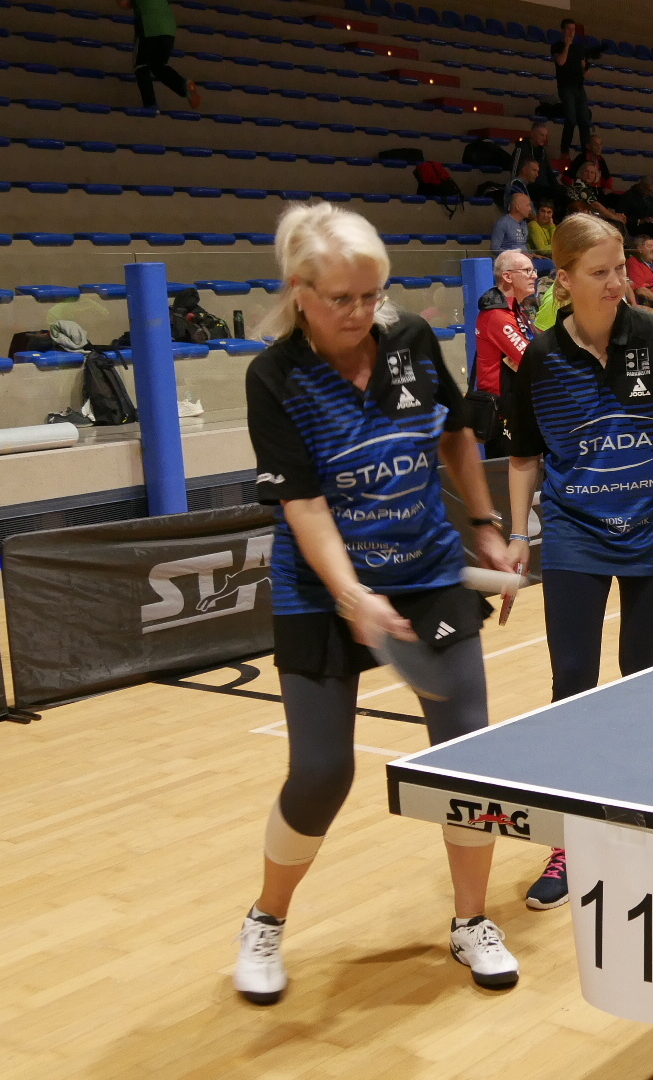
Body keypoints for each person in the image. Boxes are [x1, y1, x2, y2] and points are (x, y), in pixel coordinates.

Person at [237, 201, 519, 1003]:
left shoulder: (411, 341)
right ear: (299, 291)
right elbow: (303, 504)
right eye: (342, 299)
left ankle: (472, 920)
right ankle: (265, 919)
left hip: (428, 571)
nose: (361, 313)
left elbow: (455, 432)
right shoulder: (275, 377)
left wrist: (487, 525)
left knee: (467, 753)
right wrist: (352, 594)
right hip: (319, 588)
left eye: (372, 295)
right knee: (321, 771)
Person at [504, 213, 653, 909]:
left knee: (642, 677)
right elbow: (524, 456)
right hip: (574, 533)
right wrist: (517, 534)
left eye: (620, 268)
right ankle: (570, 839)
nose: (616, 283)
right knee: (572, 681)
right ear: (564, 281)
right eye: (599, 272)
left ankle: (639, 817)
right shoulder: (541, 358)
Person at [470, 250, 539, 456]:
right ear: (508, 276)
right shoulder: (497, 315)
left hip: (518, 407)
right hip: (504, 415)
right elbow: (529, 357)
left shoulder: (515, 309)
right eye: (527, 271)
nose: (535, 276)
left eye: (534, 270)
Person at [121, 0, 200, 111]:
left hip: (149, 25)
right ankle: (184, 86)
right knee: (158, 66)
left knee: (141, 66)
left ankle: (151, 105)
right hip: (168, 27)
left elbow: (124, 3)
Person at [551, 19, 601, 153]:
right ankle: (564, 150)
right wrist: (567, 46)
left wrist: (586, 70)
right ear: (563, 30)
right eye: (568, 29)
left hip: (579, 87)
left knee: (584, 121)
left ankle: (586, 152)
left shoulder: (579, 48)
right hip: (566, 87)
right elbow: (561, 61)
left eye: (573, 29)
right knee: (571, 120)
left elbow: (584, 67)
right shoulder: (556, 46)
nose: (571, 32)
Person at [563, 161, 624, 230]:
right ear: (581, 173)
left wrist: (616, 216)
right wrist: (614, 216)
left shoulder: (589, 187)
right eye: (586, 171)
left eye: (592, 173)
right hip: (575, 220)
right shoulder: (578, 184)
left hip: (585, 218)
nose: (589, 175)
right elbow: (595, 205)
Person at [491, 190, 530, 255]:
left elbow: (523, 245)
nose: (530, 209)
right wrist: (516, 254)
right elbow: (495, 248)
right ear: (517, 207)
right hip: (509, 259)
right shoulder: (502, 223)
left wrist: (531, 254)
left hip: (524, 258)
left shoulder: (524, 224)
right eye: (528, 205)